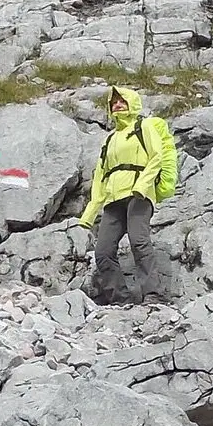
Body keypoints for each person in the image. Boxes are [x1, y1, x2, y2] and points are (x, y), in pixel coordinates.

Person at [78, 85, 167, 305]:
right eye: (113, 102)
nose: (117, 104)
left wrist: (143, 186)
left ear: (132, 103)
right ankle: (120, 298)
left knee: (139, 242)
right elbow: (100, 176)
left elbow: (157, 157)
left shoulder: (143, 126)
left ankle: (153, 294)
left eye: (121, 101)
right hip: (112, 201)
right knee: (103, 252)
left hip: (139, 196)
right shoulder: (109, 140)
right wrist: (89, 214)